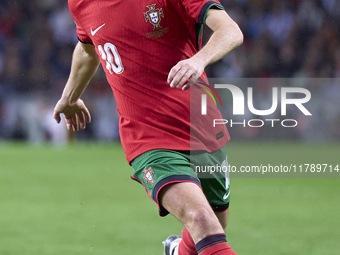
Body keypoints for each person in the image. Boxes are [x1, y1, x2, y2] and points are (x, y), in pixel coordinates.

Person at [53, 0, 243, 254]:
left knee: (214, 225)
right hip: (147, 138)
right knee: (200, 219)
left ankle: (177, 251)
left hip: (202, 126)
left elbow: (230, 31)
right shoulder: (80, 3)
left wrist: (199, 60)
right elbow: (88, 47)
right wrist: (69, 96)